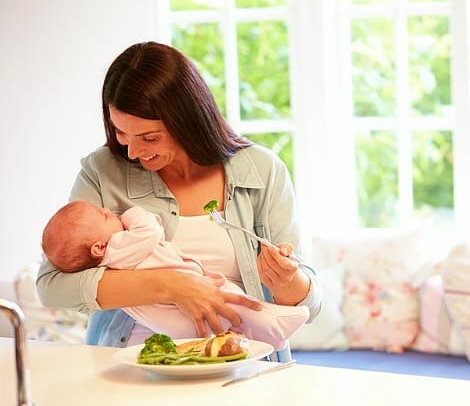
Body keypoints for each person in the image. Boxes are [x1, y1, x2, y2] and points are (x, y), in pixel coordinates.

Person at [36, 41, 321, 361]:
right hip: (130, 366)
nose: (132, 151)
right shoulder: (102, 172)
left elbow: (310, 305)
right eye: (121, 133)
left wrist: (286, 280)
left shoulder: (261, 170)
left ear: (188, 120)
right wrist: (170, 286)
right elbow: (52, 286)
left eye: (149, 137)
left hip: (242, 365)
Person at [41, 201, 310, 350]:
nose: (110, 211)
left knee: (230, 323)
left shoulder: (107, 261)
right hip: (183, 302)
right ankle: (275, 323)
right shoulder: (118, 246)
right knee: (235, 301)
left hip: (168, 322)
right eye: (103, 216)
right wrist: (134, 212)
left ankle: (268, 336)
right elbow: (150, 231)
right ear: (98, 248)